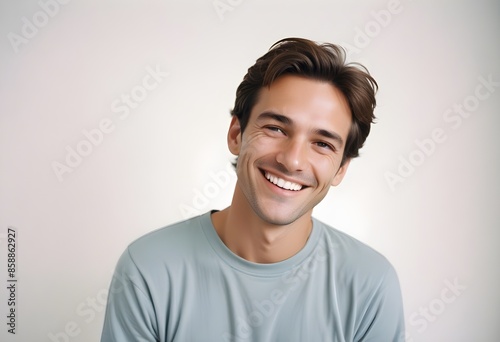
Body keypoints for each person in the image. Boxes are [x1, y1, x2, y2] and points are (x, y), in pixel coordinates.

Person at [101, 37, 405, 342]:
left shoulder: (371, 285)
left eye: (322, 144)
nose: (292, 160)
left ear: (340, 168)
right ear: (236, 134)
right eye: (276, 128)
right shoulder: (148, 269)